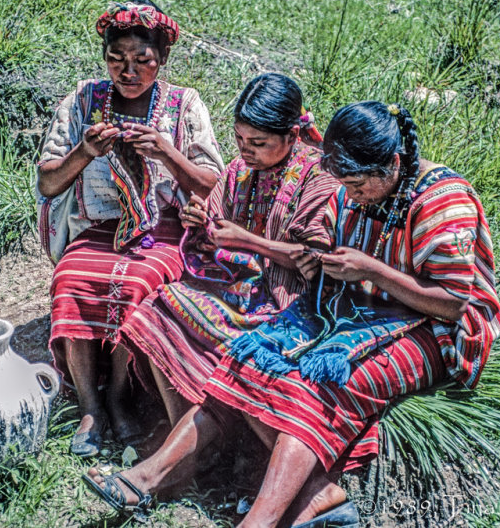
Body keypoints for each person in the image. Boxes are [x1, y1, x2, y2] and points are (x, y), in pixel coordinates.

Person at [83, 101, 500, 528]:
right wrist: (316, 257)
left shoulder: (443, 201)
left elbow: (453, 301)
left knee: (316, 383)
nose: (351, 195)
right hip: (357, 305)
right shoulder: (352, 190)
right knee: (247, 359)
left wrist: (369, 269)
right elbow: (324, 239)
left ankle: (260, 521)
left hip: (437, 328)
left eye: (357, 185)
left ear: (392, 164)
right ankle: (175, 476)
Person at [35, 0, 224, 457]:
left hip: (162, 229)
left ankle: (119, 395)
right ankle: (90, 405)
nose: (129, 71)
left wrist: (165, 153)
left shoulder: (183, 105)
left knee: (137, 281)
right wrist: (83, 152)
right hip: (98, 227)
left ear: (162, 60)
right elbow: (48, 180)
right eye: (116, 59)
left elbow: (212, 180)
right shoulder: (84, 101)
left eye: (143, 61)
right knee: (72, 279)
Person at [118, 72, 339, 427]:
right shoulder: (239, 170)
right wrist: (200, 222)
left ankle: (210, 432)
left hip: (290, 306)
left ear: (293, 136)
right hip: (239, 289)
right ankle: (183, 424)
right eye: (238, 138)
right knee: (156, 309)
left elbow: (317, 261)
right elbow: (213, 230)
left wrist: (247, 242)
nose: (244, 149)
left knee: (237, 345)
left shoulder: (320, 179)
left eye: (258, 142)